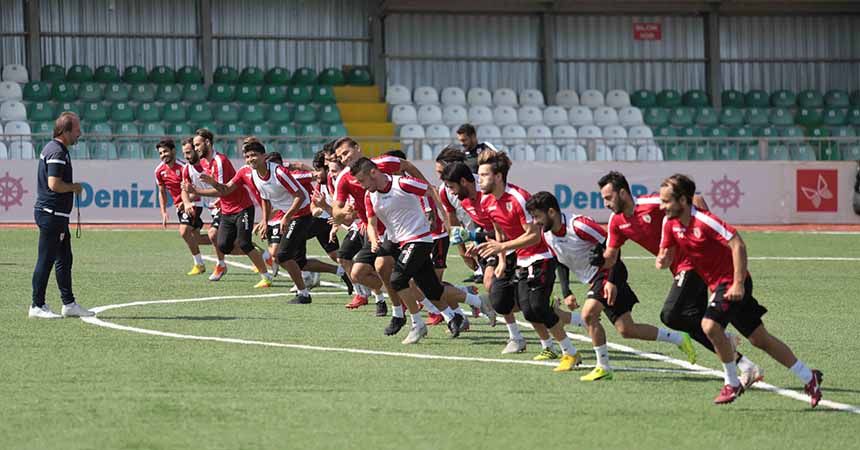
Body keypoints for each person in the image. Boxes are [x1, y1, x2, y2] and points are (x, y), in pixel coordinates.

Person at [657, 174, 823, 406]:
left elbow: (737, 244)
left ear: (683, 200)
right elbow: (666, 252)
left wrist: (738, 283)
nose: (661, 206)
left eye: (666, 201)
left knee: (709, 326)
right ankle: (808, 376)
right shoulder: (669, 224)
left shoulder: (705, 221)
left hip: (733, 281)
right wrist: (663, 260)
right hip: (718, 284)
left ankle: (732, 383)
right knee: (760, 339)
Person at [595, 171, 763, 387]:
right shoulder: (616, 221)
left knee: (671, 315)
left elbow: (696, 200)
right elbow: (610, 256)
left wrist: (702, 236)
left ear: (622, 193)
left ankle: (724, 339)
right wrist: (599, 260)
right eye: (603, 199)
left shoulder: (651, 203)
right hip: (679, 270)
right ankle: (746, 366)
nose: (606, 203)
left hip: (693, 264)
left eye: (608, 198)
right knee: (691, 323)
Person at [526, 191, 696, 380]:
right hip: (595, 279)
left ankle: (603, 367)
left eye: (537, 216)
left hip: (610, 272)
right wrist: (567, 292)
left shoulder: (579, 225)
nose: (535, 222)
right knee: (627, 329)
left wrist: (612, 280)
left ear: (551, 212)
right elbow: (560, 261)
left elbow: (613, 246)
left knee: (588, 314)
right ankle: (679, 338)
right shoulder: (547, 235)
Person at [200, 137, 347, 303]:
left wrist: (287, 216)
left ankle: (306, 291)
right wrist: (264, 220)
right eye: (247, 156)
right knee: (292, 258)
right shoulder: (251, 173)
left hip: (303, 214)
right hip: (289, 216)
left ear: (264, 156)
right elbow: (259, 196)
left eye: (254, 155)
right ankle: (333, 275)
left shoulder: (280, 173)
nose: (250, 159)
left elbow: (301, 193)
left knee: (282, 255)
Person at [472, 150, 581, 370]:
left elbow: (535, 236)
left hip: (542, 256)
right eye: (479, 175)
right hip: (520, 258)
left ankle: (569, 352)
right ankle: (555, 340)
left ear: (498, 177)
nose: (479, 180)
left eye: (484, 175)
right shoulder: (486, 200)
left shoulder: (518, 198)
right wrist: (502, 260)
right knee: (520, 306)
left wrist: (502, 247)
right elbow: (499, 230)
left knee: (536, 307)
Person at [352, 157, 469, 343]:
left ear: (373, 172)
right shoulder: (369, 195)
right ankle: (459, 311)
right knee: (430, 288)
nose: (361, 185)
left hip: (419, 238)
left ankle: (416, 323)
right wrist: (373, 240)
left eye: (362, 180)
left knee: (398, 279)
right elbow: (371, 223)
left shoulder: (403, 183)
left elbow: (430, 190)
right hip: (396, 241)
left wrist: (442, 217)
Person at [185, 129, 273, 288]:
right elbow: (222, 190)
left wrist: (196, 191)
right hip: (226, 209)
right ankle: (263, 255)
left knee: (244, 243)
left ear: (207, 143)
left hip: (242, 207)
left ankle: (265, 276)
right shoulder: (204, 162)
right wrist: (219, 200)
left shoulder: (220, 161)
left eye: (198, 145)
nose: (195, 148)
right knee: (223, 245)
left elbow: (223, 190)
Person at [30, 111, 94, 319]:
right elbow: (54, 184)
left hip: (56, 215)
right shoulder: (57, 152)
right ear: (65, 131)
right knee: (46, 259)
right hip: (51, 214)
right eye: (76, 130)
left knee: (64, 259)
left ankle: (69, 304)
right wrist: (74, 187)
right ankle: (37, 305)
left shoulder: (56, 149)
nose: (79, 133)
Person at [155, 138, 212, 275]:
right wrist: (163, 211)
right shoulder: (159, 171)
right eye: (160, 153)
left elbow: (195, 189)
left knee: (184, 231)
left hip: (194, 203)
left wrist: (186, 201)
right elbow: (162, 192)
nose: (163, 155)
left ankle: (199, 264)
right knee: (196, 238)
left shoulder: (184, 167)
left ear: (173, 151)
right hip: (180, 206)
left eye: (165, 151)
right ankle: (228, 240)